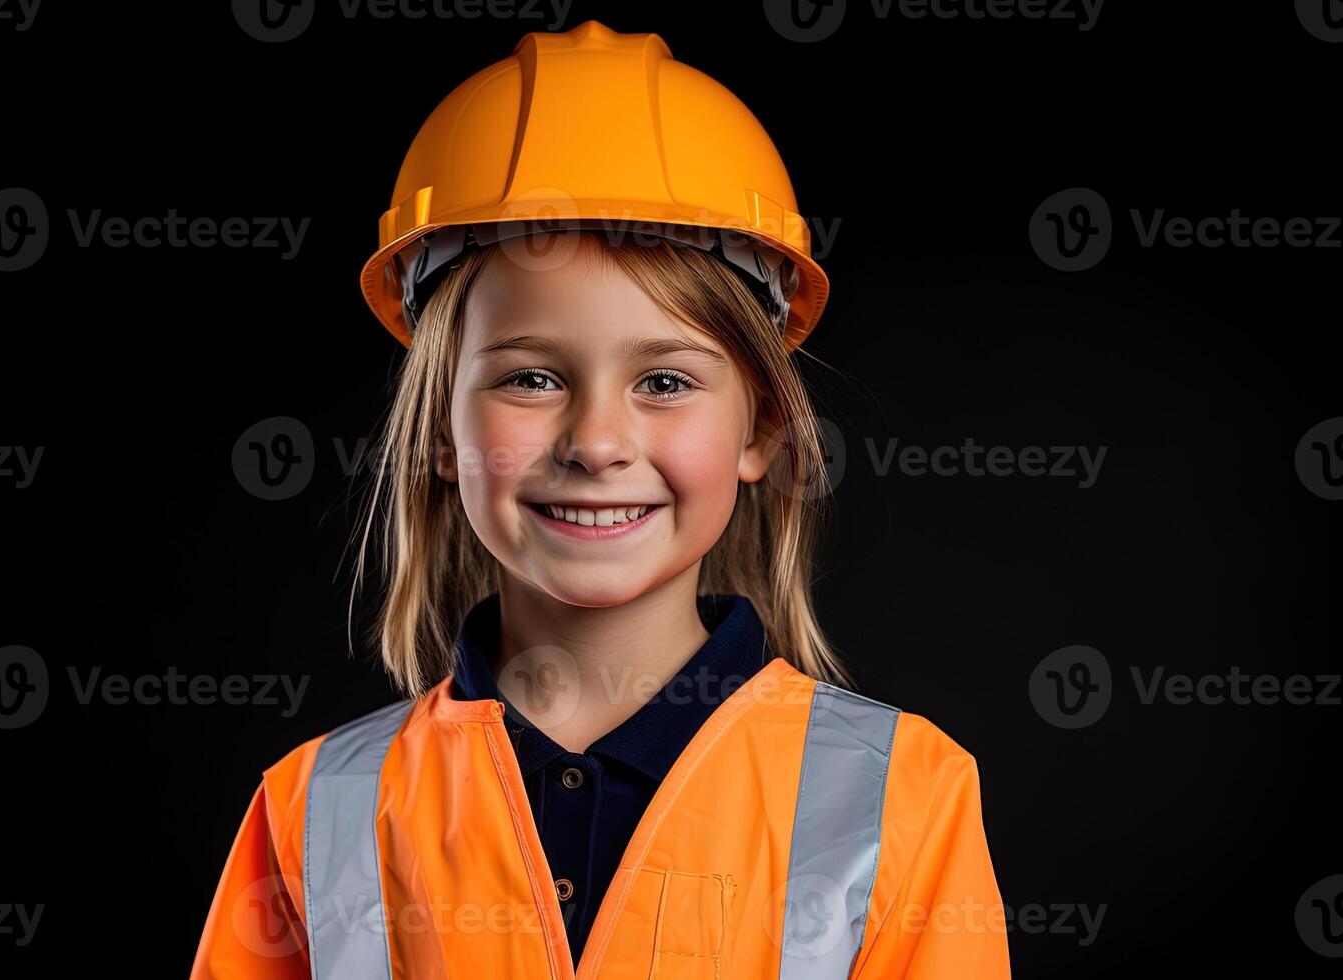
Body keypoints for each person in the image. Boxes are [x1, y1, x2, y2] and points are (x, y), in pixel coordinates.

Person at [191, 19, 1009, 979]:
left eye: (664, 381)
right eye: (530, 379)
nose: (595, 443)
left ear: (760, 434)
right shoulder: (315, 808)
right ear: (437, 436)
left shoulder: (900, 791)